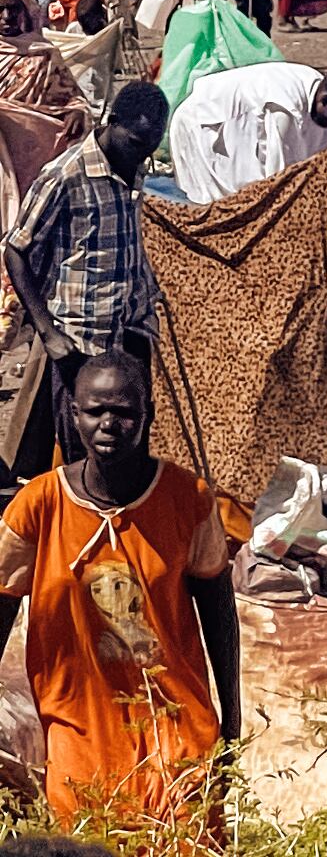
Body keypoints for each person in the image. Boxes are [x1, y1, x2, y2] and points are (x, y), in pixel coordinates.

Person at [0, 352, 241, 830]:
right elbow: (1, 607)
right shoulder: (39, 507)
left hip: (175, 724)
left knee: (184, 837)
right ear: (74, 414)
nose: (109, 424)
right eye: (95, 411)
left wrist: (231, 720)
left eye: (124, 412)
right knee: (90, 836)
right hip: (78, 724)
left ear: (146, 416)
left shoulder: (187, 498)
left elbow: (218, 610)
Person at [3, 83, 170, 457]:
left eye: (150, 146)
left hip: (130, 330)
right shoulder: (65, 175)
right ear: (111, 122)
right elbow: (16, 250)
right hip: (79, 339)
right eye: (136, 142)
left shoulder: (134, 168)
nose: (142, 154)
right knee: (86, 452)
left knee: (129, 447)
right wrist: (48, 333)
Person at [166, 60, 327, 202]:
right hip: (201, 126)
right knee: (209, 201)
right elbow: (279, 178)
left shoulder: (321, 99)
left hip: (236, 133)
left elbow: (314, 164)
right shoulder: (285, 110)